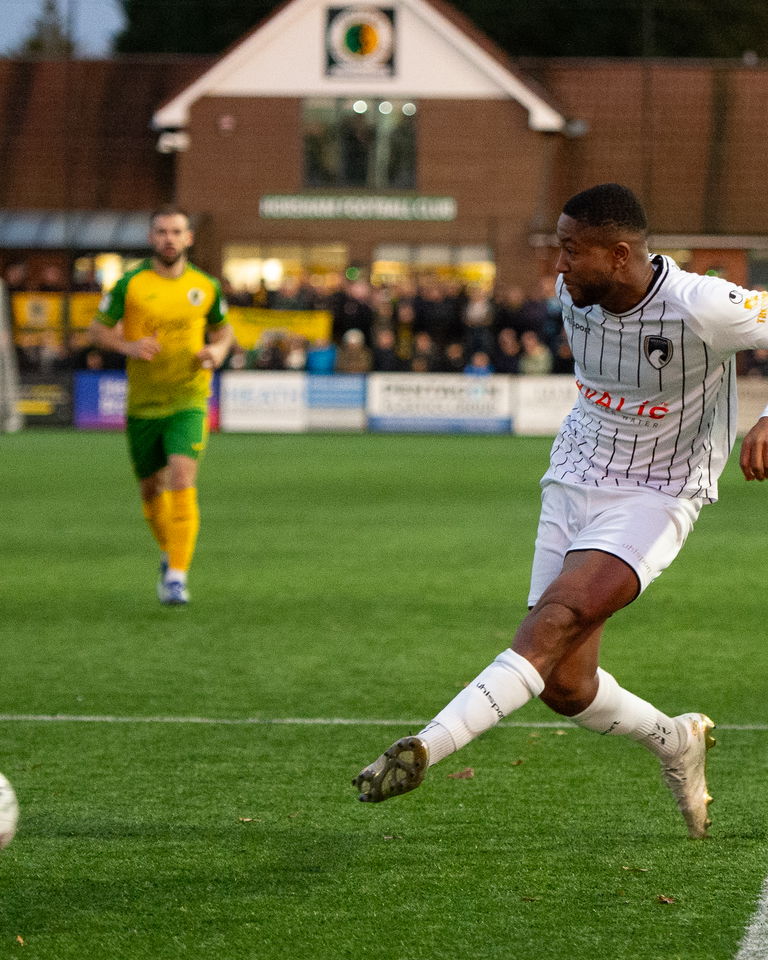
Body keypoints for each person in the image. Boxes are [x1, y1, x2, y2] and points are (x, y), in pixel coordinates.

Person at [352, 182, 768, 839]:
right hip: (573, 477)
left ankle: (427, 745)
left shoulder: (701, 305)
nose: (559, 264)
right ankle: (675, 739)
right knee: (566, 685)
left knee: (556, 619)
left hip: (657, 490)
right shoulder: (576, 293)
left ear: (620, 254)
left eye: (572, 250)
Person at [89, 205, 234, 606]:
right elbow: (97, 331)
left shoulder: (205, 286)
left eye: (176, 231)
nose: (169, 239)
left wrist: (218, 352)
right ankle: (172, 553)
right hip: (143, 404)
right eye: (161, 232)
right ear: (151, 237)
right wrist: (128, 345)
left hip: (189, 397)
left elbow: (224, 331)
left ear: (189, 238)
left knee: (182, 476)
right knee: (151, 489)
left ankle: (176, 577)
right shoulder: (130, 285)